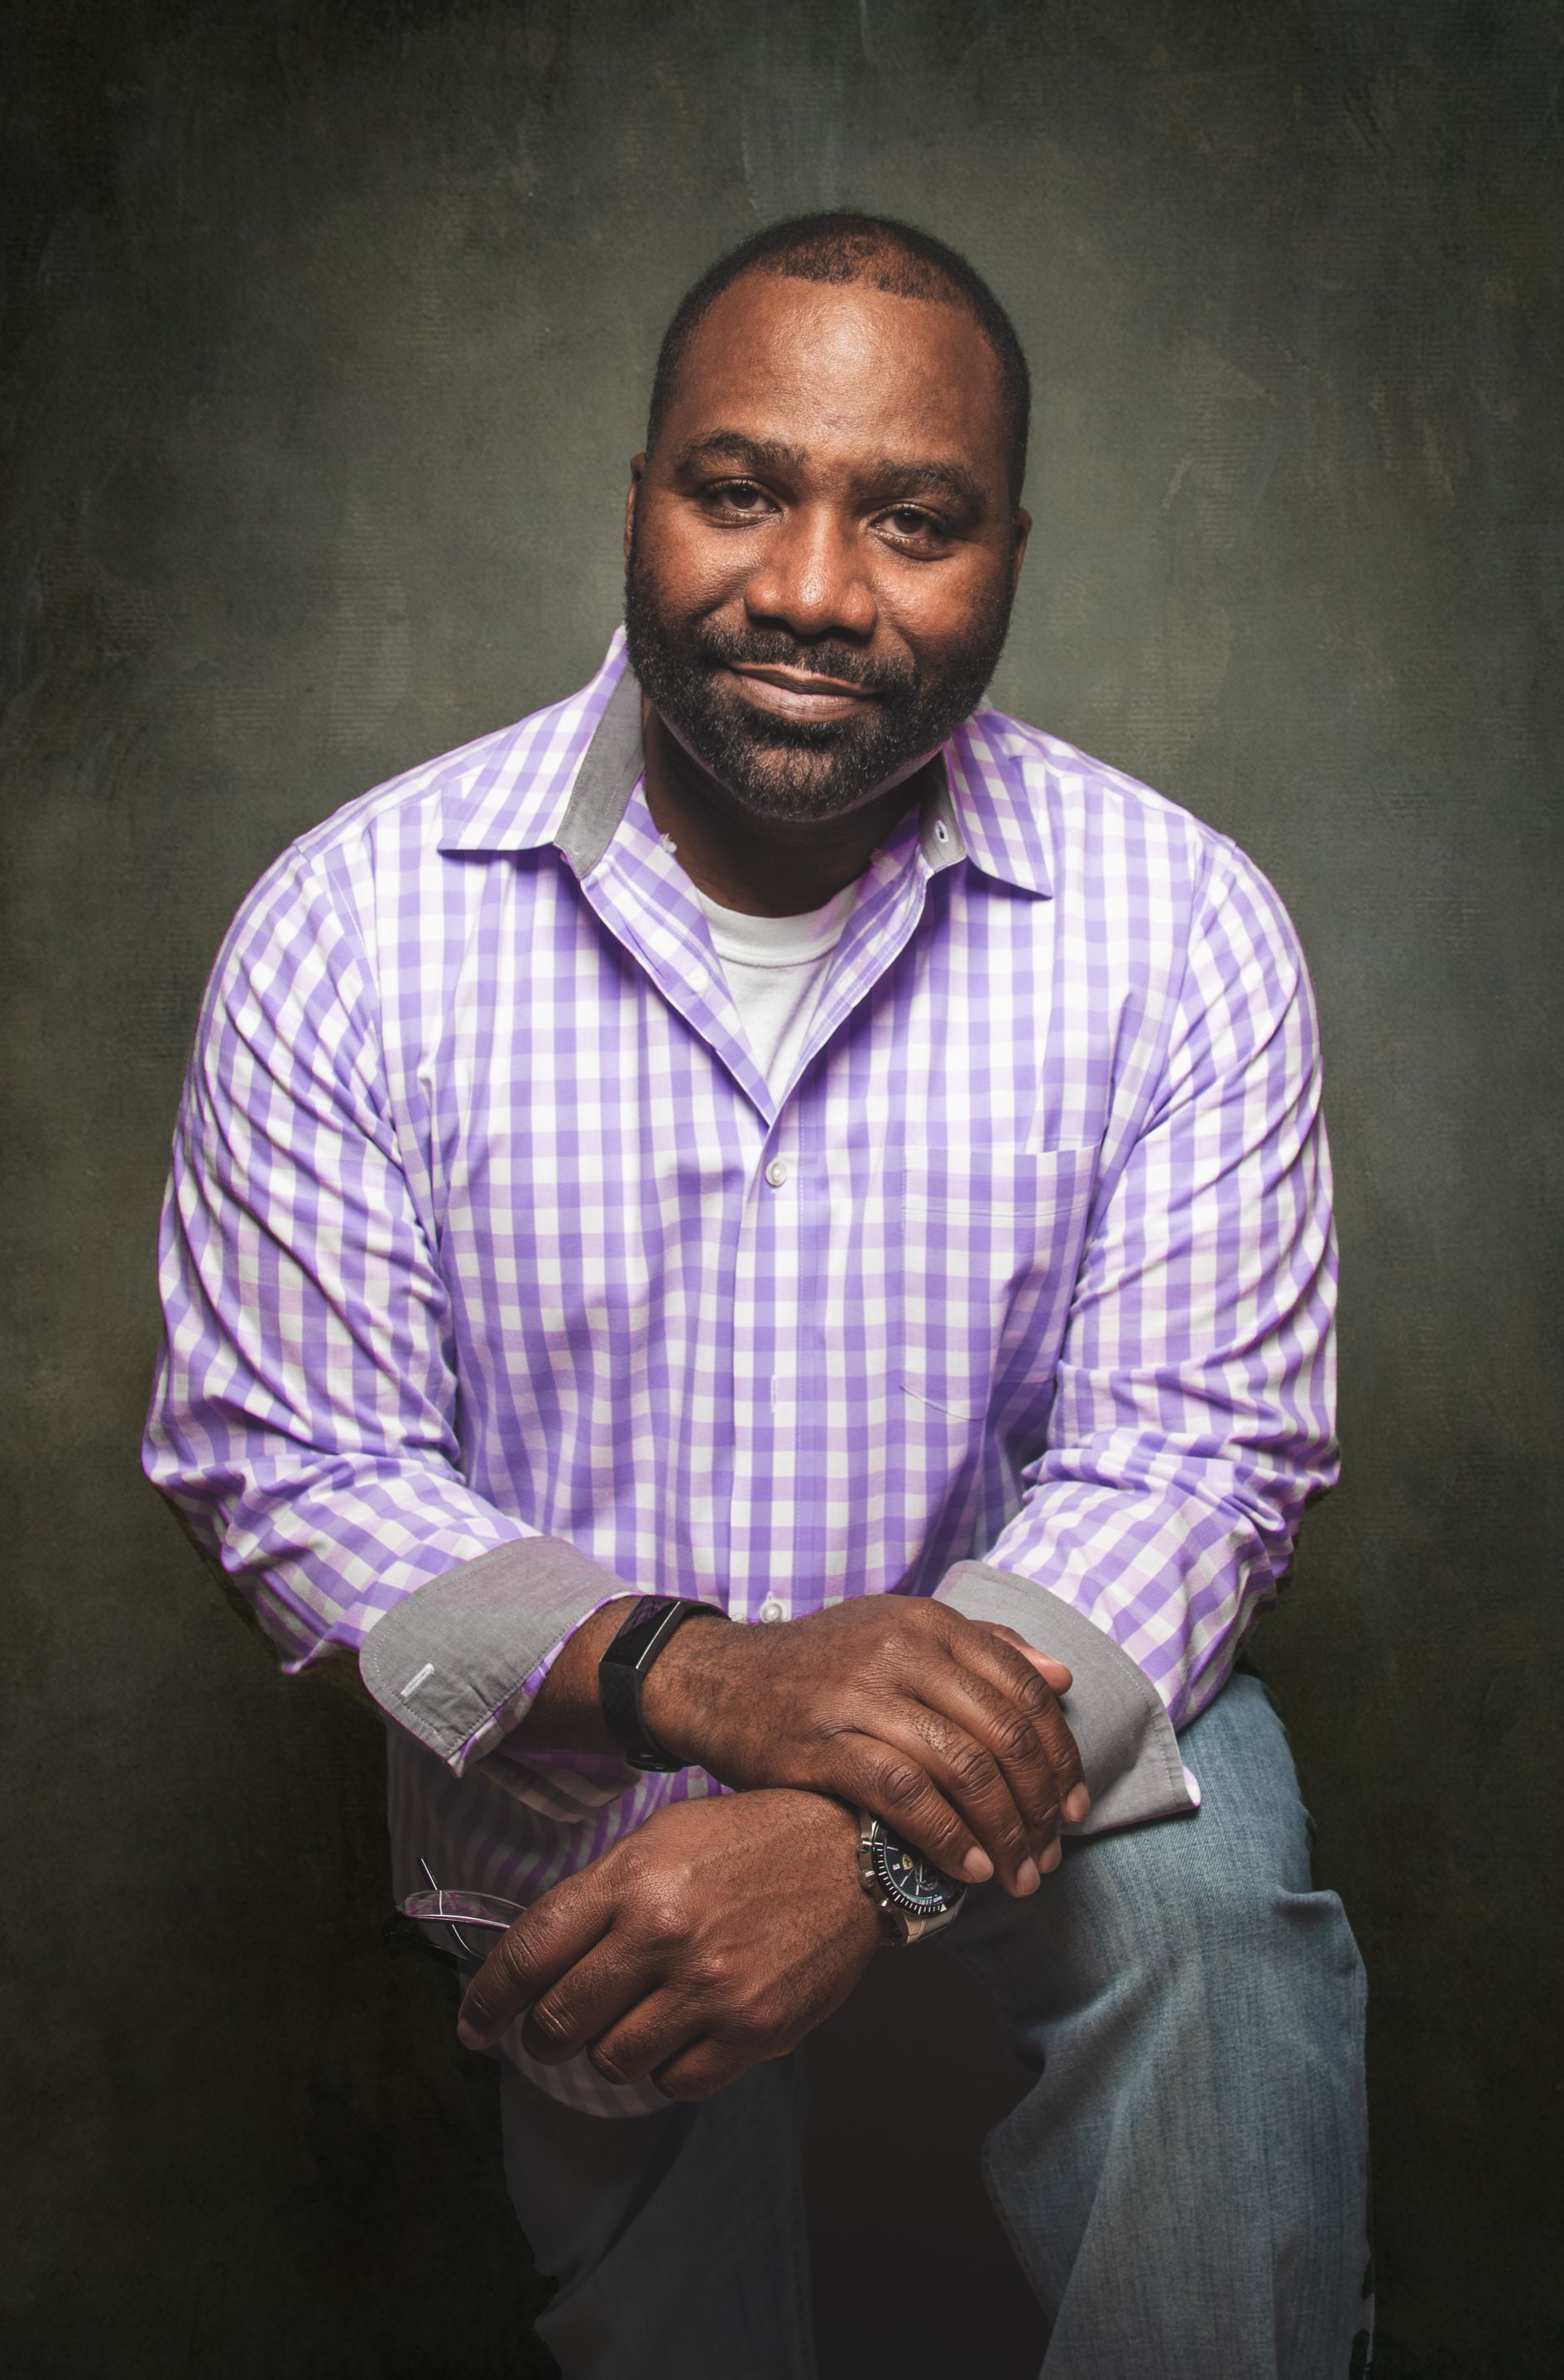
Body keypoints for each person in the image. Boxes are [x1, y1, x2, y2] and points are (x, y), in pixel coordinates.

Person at [144, 214, 1370, 2377]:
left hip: (1042, 1745)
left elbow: (1201, 1457)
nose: (813, 588)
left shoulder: (1181, 925)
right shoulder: (349, 932)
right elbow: (292, 1478)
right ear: (636, 495)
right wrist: (702, 1682)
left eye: (914, 519)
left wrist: (870, 1841)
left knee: (1212, 1921)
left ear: (1010, 546)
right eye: (740, 488)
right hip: (581, 1779)